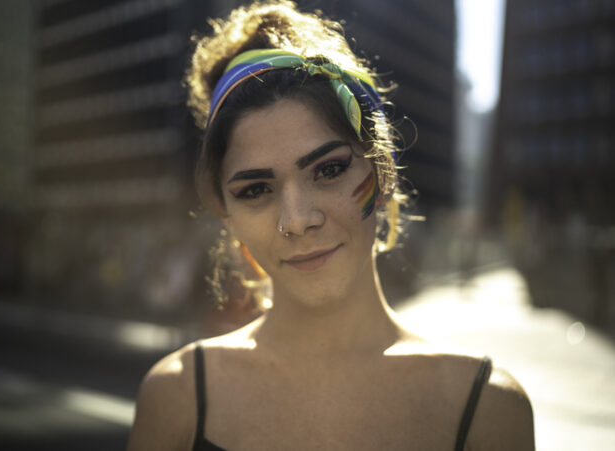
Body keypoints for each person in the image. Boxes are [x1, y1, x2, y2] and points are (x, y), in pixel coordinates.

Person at [128, 2, 535, 450]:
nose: (297, 220)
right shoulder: (177, 396)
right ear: (227, 213)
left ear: (384, 173)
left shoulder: (486, 407)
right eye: (256, 190)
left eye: (327, 170)